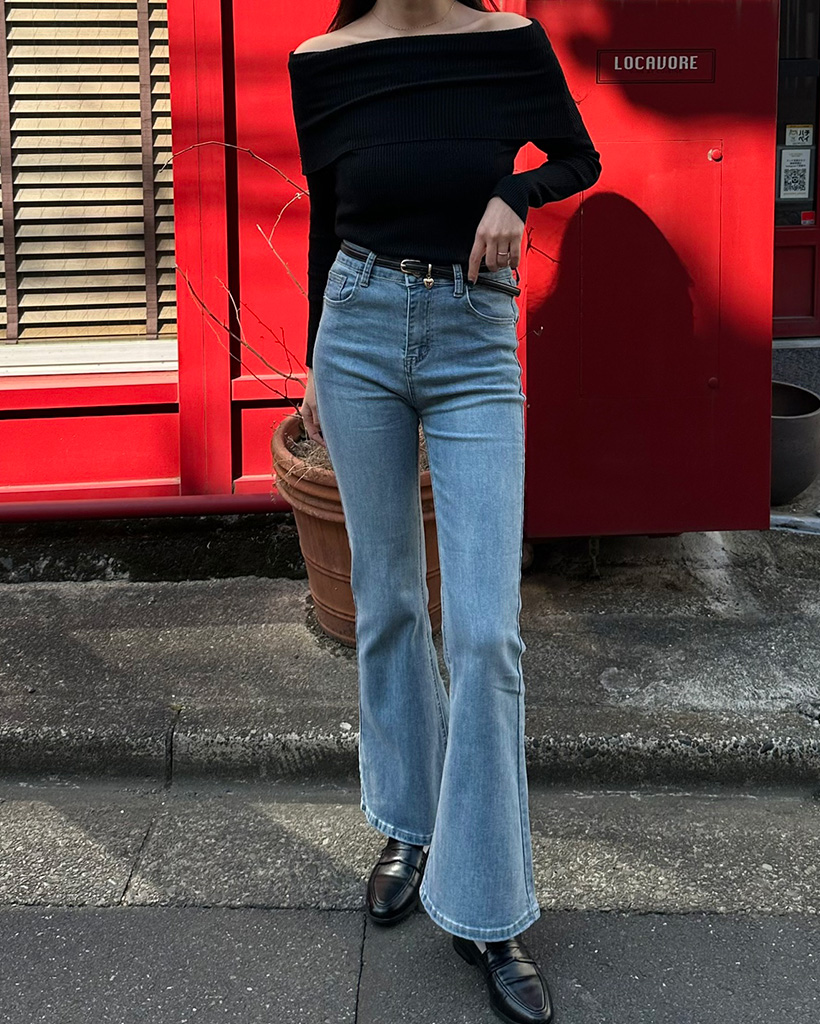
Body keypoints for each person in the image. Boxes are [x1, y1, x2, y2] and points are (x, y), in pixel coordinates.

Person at [288, 3, 601, 1021]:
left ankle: (487, 906)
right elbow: (329, 216)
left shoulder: (507, 42)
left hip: (473, 336)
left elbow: (578, 157)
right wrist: (313, 354)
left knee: (485, 632)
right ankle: (409, 824)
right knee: (386, 603)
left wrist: (515, 190)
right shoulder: (323, 61)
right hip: (358, 329)